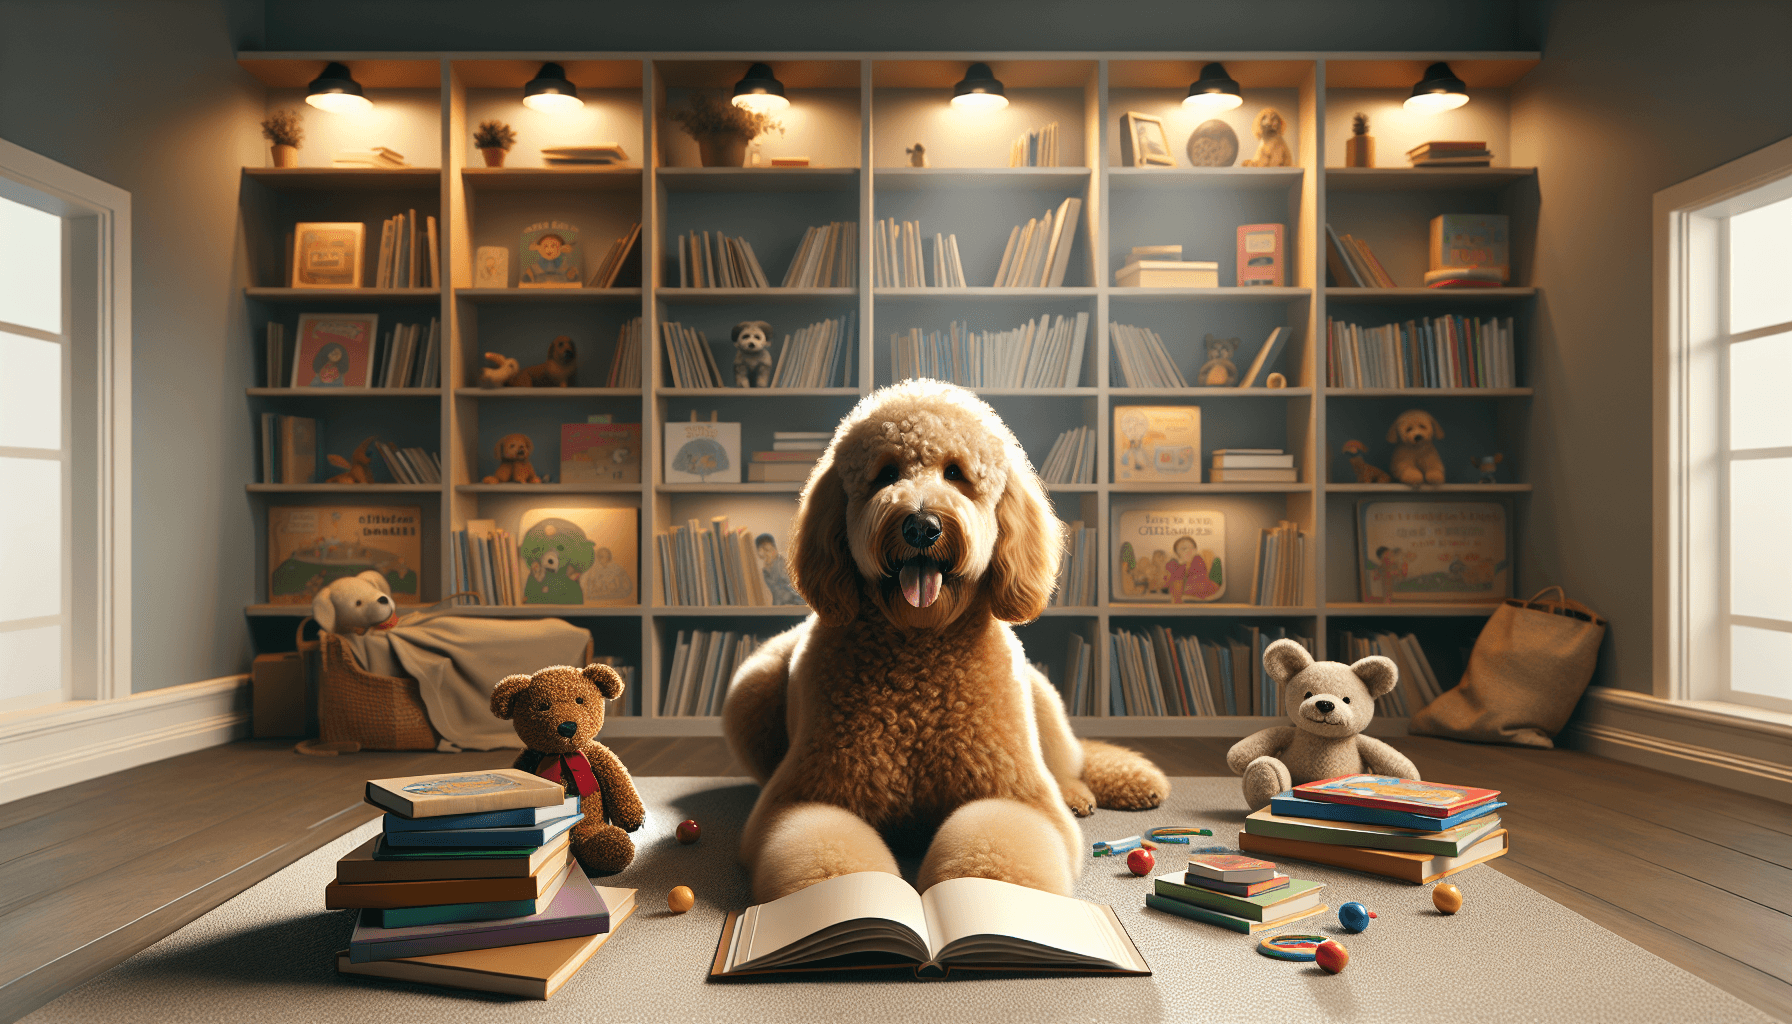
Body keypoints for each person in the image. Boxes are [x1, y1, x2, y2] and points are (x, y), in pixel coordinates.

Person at [756, 534, 803, 605]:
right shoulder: (765, 571)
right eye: (761, 551)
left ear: (774, 550)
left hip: (793, 607)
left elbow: (795, 591)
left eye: (767, 550)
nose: (764, 555)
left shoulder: (782, 566)